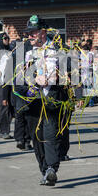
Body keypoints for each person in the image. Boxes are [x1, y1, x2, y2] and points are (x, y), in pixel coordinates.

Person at [17, 15, 72, 185]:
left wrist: (59, 76)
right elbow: (15, 81)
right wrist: (31, 82)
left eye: (32, 32)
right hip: (32, 101)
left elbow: (72, 71)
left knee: (50, 134)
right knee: (37, 137)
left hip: (53, 100)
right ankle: (44, 170)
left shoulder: (58, 47)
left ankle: (51, 168)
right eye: (28, 33)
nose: (29, 36)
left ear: (42, 32)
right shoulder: (22, 50)